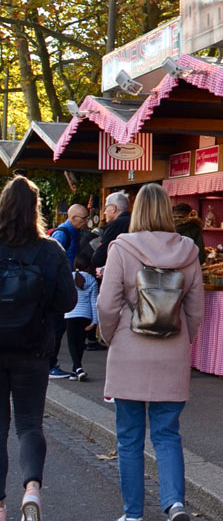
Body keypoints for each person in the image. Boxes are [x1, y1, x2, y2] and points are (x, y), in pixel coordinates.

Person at [98, 183, 204, 521]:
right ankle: (174, 503)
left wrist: (110, 335)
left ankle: (132, 514)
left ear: (138, 210)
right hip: (171, 350)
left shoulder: (122, 248)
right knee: (167, 433)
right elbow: (196, 309)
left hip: (129, 349)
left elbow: (107, 303)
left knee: (129, 437)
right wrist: (184, 340)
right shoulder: (188, 250)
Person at [0, 176, 77, 521]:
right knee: (30, 424)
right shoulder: (50, 250)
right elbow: (68, 299)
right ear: (36, 210)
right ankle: (31, 488)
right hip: (33, 350)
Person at [47, 203, 89, 379]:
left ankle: (51, 363)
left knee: (60, 327)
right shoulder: (62, 234)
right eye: (84, 218)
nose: (87, 221)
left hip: (65, 286)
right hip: (60, 287)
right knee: (57, 327)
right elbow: (52, 260)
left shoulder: (73, 232)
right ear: (72, 218)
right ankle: (50, 364)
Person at [63, 254, 98, 382]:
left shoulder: (69, 278)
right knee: (80, 343)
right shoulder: (92, 281)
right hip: (86, 314)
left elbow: (64, 296)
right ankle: (75, 370)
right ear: (89, 266)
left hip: (71, 313)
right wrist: (95, 321)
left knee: (72, 342)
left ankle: (77, 368)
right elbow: (94, 302)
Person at [92, 191, 131, 269]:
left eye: (106, 208)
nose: (104, 212)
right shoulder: (136, 221)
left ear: (113, 208)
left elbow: (100, 257)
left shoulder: (115, 225)